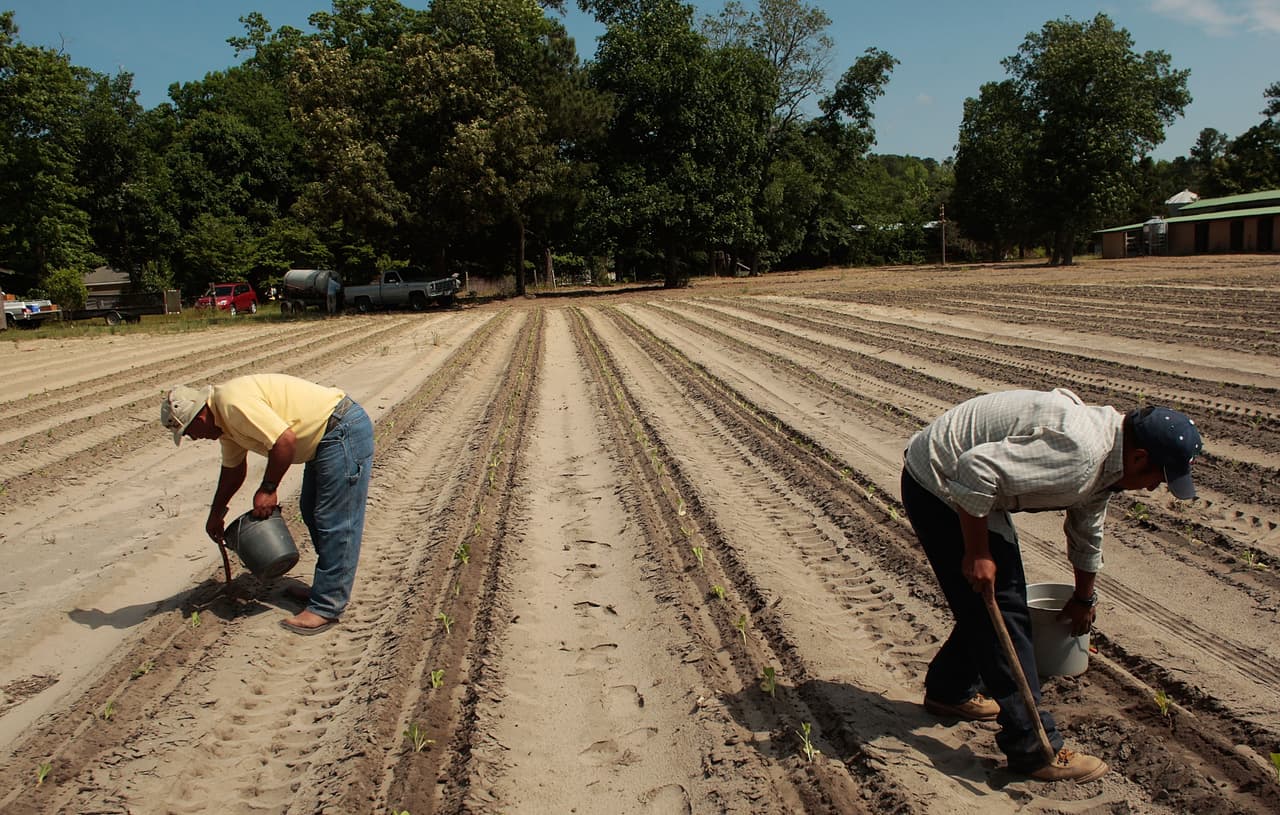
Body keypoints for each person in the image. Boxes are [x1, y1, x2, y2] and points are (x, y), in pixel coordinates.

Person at [900, 388, 1201, 782]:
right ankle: (1034, 748)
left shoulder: (1109, 458)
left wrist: (1083, 596)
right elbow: (974, 470)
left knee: (996, 599)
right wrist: (976, 553)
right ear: (1140, 457)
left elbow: (1087, 528)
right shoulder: (1081, 454)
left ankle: (948, 691)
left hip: (970, 481)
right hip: (939, 480)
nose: (1151, 489)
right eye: (1157, 479)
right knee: (1004, 612)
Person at [160, 374, 375, 635]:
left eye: (189, 432)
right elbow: (233, 471)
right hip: (325, 439)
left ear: (199, 417)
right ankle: (327, 587)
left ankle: (327, 606)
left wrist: (268, 489)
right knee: (311, 512)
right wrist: (216, 513)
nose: (193, 438)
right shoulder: (225, 426)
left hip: (341, 430)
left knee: (335, 521)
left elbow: (284, 441)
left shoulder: (230, 403)